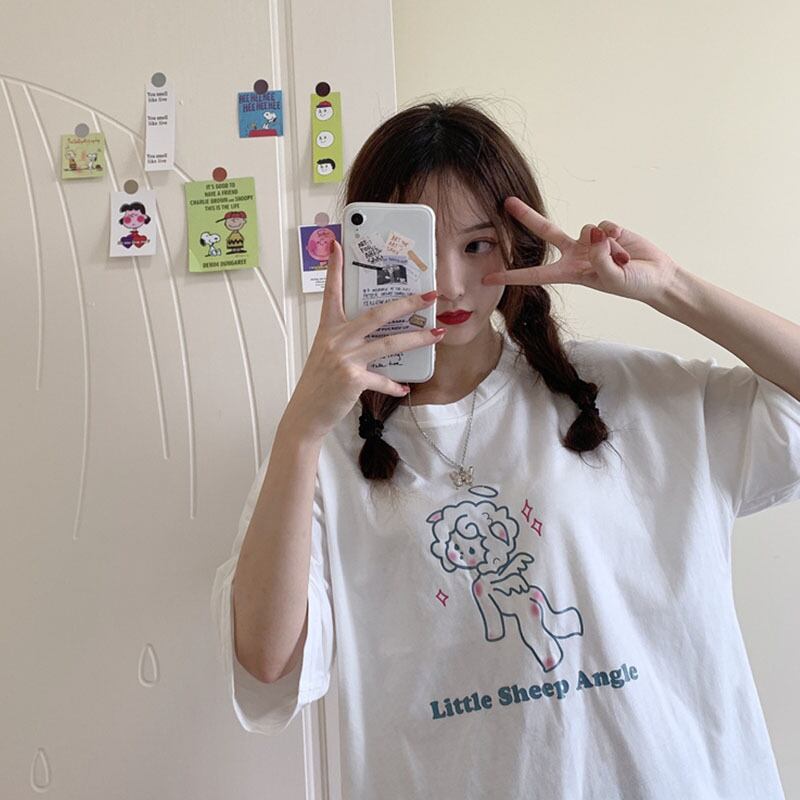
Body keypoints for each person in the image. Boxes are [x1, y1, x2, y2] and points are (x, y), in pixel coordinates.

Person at [211, 99, 800, 798]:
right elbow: (267, 659)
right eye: (417, 248)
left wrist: (670, 287)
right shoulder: (322, 450)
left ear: (518, 243)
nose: (450, 283)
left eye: (477, 244)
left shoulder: (617, 390)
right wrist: (301, 428)